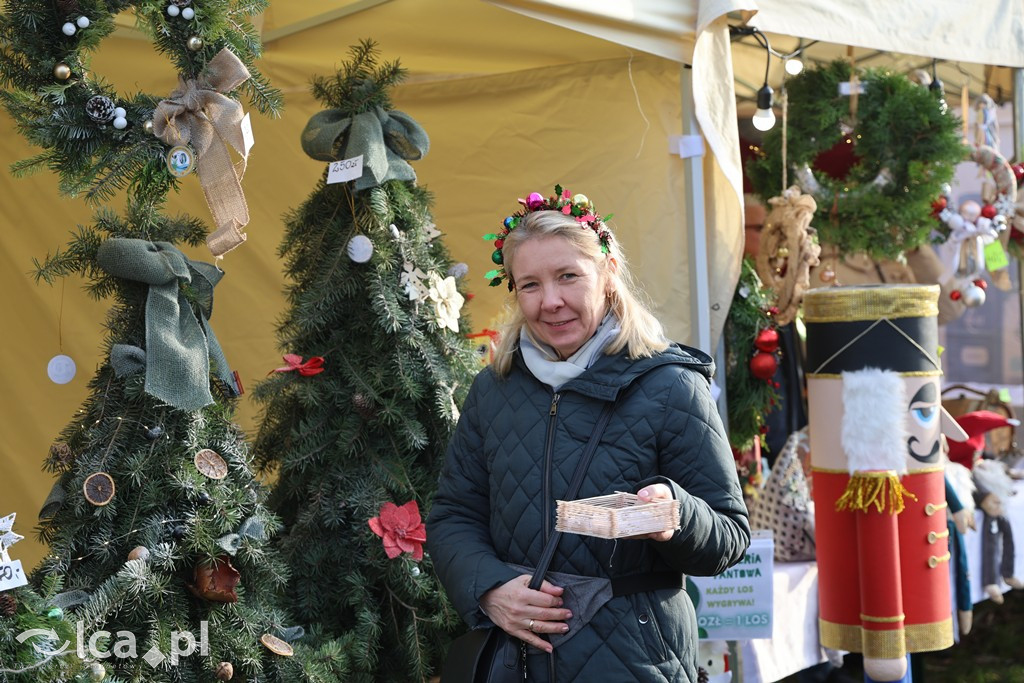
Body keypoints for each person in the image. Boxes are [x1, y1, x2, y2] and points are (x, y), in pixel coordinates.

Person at [426, 187, 751, 682]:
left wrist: (675, 514)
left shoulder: (670, 386)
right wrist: (490, 589)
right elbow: (454, 516)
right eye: (530, 285)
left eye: (568, 277)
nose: (551, 301)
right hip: (517, 663)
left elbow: (729, 535)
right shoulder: (494, 390)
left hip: (635, 663)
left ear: (608, 275)